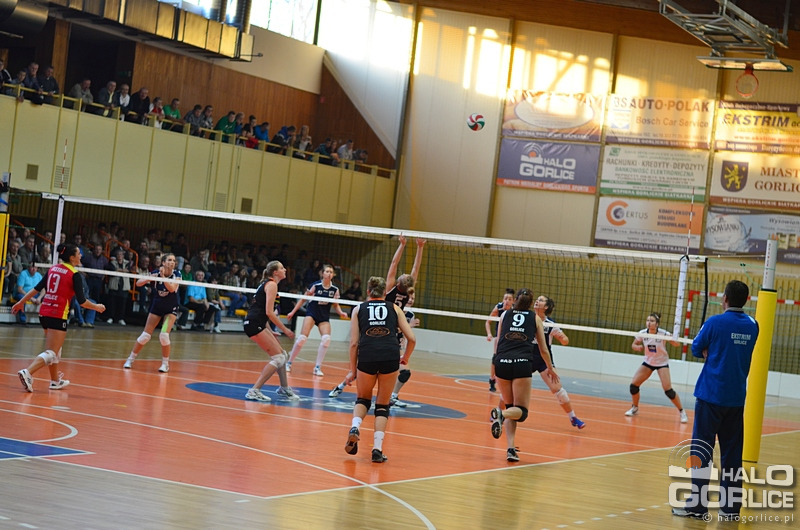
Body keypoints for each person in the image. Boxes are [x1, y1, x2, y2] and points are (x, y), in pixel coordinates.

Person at [672, 280, 759, 520]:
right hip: (736, 399)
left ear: (724, 299)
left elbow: (696, 348)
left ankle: (697, 506)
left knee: (701, 451)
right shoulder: (754, 325)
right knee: (732, 454)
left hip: (710, 396)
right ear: (746, 300)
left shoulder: (714, 322)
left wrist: (711, 350)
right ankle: (730, 509)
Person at [13, 244, 106, 392]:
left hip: (44, 312)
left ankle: (55, 381)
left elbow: (36, 289)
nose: (81, 256)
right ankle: (27, 372)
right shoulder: (74, 274)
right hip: (58, 313)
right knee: (52, 352)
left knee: (56, 349)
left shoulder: (53, 269)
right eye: (78, 253)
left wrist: (21, 302)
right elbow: (82, 301)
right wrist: (97, 307)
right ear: (72, 257)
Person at [344, 276, 416, 463]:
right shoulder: (395, 308)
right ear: (385, 292)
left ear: (368, 291)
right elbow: (412, 339)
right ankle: (377, 449)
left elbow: (353, 343)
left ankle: (355, 427)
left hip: (367, 355)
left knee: (363, 399)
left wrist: (352, 370)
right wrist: (405, 358)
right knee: (382, 405)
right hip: (390, 356)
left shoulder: (358, 309)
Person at [490, 288, 560, 462]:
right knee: (521, 412)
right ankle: (501, 415)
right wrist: (550, 367)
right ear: (530, 304)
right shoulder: (535, 318)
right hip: (521, 363)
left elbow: (498, 340)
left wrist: (497, 360)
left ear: (516, 300)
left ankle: (510, 449)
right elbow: (543, 349)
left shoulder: (505, 315)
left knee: (510, 406)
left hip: (501, 362)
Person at [243, 260, 299, 402]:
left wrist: (270, 331)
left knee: (283, 355)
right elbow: (269, 312)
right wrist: (285, 329)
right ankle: (254, 390)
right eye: (282, 268)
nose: (285, 270)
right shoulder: (272, 285)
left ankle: (284, 388)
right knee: (278, 358)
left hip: (257, 323)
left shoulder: (268, 284)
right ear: (275, 272)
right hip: (255, 324)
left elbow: (262, 312)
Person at [624, 312, 688, 423]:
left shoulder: (663, 333)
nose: (649, 323)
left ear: (657, 324)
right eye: (648, 320)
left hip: (661, 363)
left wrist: (673, 339)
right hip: (648, 362)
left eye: (652, 321)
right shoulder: (643, 333)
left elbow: (677, 344)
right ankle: (635, 408)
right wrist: (637, 347)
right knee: (633, 386)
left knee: (668, 390)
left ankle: (682, 412)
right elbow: (633, 344)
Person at [286, 263, 348, 375]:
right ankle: (289, 363)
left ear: (333, 275)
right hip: (312, 313)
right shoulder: (315, 285)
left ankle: (317, 367)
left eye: (331, 272)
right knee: (302, 339)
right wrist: (292, 312)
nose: (329, 274)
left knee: (326, 340)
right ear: (322, 273)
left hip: (323, 317)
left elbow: (335, 305)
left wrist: (341, 313)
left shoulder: (335, 289)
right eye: (327, 271)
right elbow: (303, 299)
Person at [533, 295, 585, 429]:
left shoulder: (550, 324)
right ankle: (499, 413)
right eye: (537, 299)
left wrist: (563, 338)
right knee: (514, 385)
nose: (537, 301)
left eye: (541, 300)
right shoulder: (528, 318)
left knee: (558, 390)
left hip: (544, 360)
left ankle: (573, 417)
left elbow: (565, 340)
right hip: (527, 356)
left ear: (546, 307)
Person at [123, 253, 180, 373]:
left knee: (164, 335)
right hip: (157, 307)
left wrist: (162, 277)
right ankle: (130, 359)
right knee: (145, 336)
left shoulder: (177, 274)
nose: (172, 262)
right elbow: (138, 283)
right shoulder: (155, 272)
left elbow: (171, 289)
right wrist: (149, 278)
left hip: (170, 309)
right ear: (163, 262)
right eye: (169, 260)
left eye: (174, 260)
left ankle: (165, 364)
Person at [485, 288, 515, 392]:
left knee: (510, 359)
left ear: (513, 301)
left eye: (509, 299)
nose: (507, 301)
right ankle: (492, 380)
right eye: (505, 298)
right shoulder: (498, 308)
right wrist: (489, 334)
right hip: (499, 337)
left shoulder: (515, 310)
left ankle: (508, 380)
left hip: (511, 339)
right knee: (495, 358)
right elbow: (488, 322)